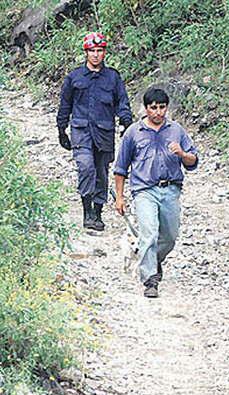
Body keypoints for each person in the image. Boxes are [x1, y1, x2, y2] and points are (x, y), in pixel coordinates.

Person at [113, 88, 199, 298]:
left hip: (170, 189)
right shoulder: (134, 132)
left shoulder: (176, 130)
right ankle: (150, 279)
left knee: (169, 237)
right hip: (144, 190)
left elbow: (193, 161)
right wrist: (120, 196)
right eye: (153, 108)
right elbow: (121, 167)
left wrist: (182, 153)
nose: (158, 112)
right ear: (146, 108)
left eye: (162, 108)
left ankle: (153, 260)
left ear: (166, 108)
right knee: (149, 234)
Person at [56, 32, 133, 231]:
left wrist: (126, 122)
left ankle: (97, 213)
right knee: (86, 167)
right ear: (86, 53)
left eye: (100, 51)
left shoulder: (113, 77)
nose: (96, 55)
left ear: (105, 52)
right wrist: (61, 129)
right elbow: (65, 104)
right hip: (81, 130)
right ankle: (86, 212)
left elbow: (122, 102)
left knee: (101, 172)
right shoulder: (74, 77)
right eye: (92, 51)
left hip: (105, 132)